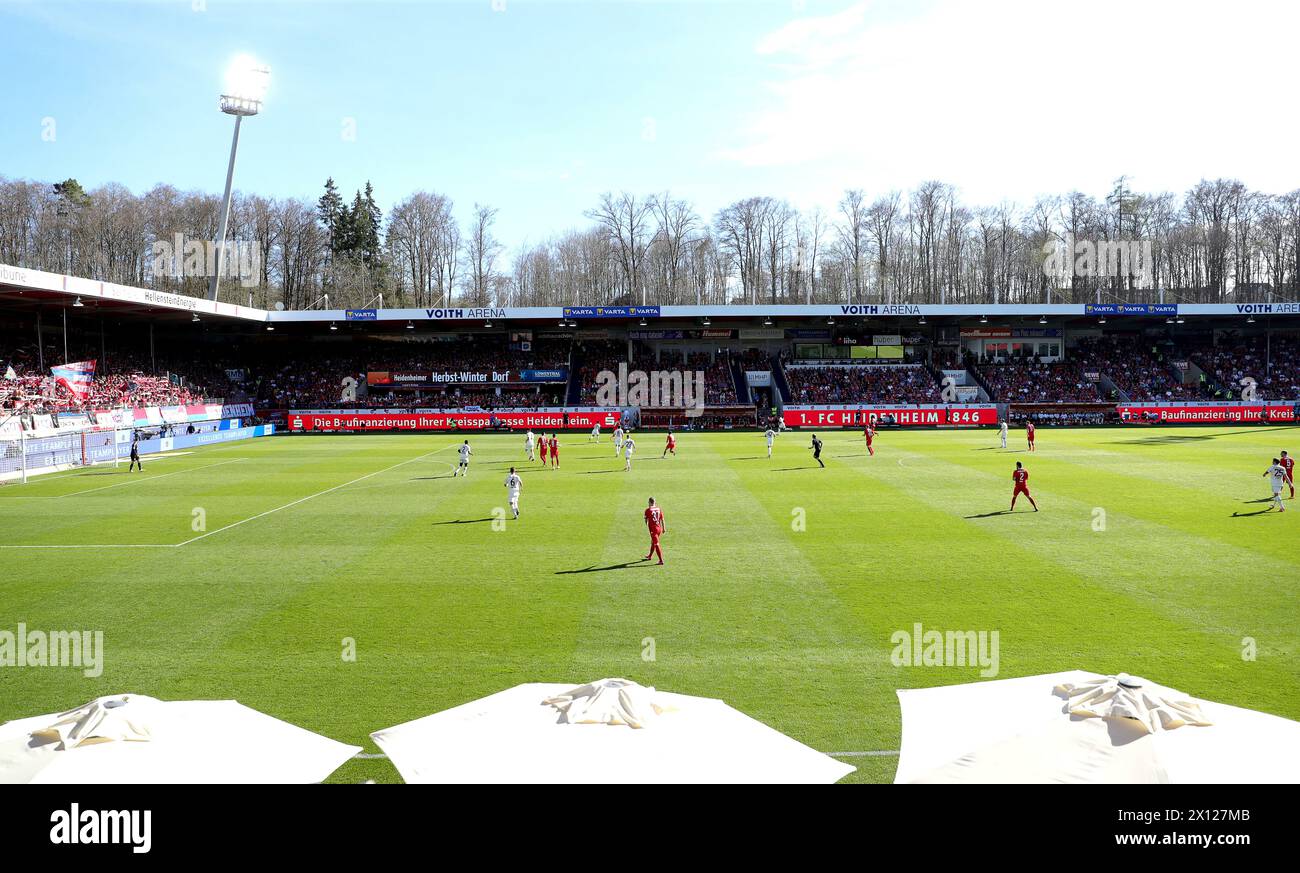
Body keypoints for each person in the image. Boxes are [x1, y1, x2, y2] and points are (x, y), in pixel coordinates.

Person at [643, 497, 666, 565]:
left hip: (654, 530)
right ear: (654, 502)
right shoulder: (659, 509)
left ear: (650, 502)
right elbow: (662, 519)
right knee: (653, 542)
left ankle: (661, 560)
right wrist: (664, 528)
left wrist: (647, 524)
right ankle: (650, 556)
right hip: (659, 528)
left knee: (656, 544)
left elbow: (646, 520)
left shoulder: (648, 510)